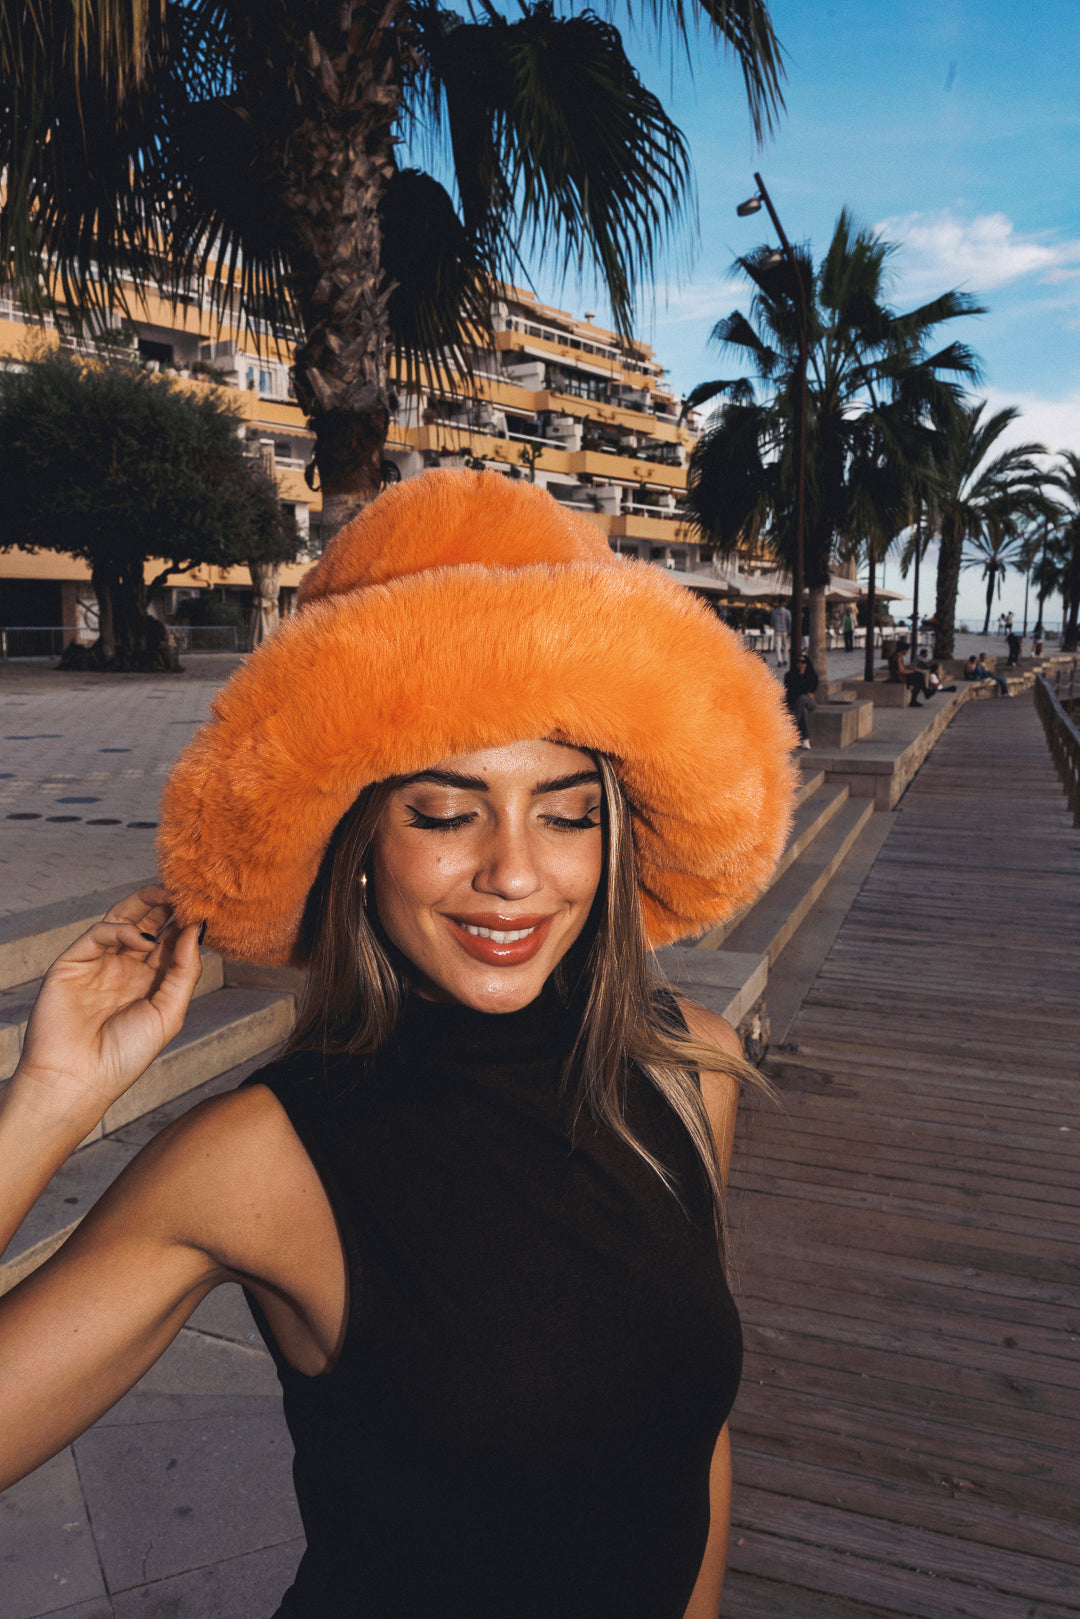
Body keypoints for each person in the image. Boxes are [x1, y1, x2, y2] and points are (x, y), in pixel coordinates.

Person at [0, 472, 797, 1619]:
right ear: (361, 835)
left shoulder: (685, 1073)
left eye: (567, 810)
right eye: (445, 810)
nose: (514, 871)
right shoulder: (262, 1158)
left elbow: (688, 1435)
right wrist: (50, 1100)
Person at [783, 651, 819, 749]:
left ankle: (792, 729)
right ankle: (805, 739)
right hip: (796, 702)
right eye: (799, 662)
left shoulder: (811, 675)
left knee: (802, 699)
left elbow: (811, 688)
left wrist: (804, 690)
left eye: (803, 662)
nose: (801, 664)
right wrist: (805, 690)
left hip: (809, 702)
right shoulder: (790, 675)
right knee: (803, 711)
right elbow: (792, 690)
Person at [887, 638, 931, 707]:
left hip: (898, 676)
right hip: (899, 678)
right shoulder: (898, 657)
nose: (908, 652)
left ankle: (921, 695)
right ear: (903, 650)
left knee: (919, 677)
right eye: (907, 650)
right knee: (919, 676)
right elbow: (902, 671)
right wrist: (914, 671)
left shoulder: (895, 655)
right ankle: (922, 695)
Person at [770, 601, 792, 666]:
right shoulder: (787, 612)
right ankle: (785, 660)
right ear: (784, 604)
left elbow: (772, 622)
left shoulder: (774, 612)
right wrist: (789, 630)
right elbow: (789, 622)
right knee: (785, 646)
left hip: (777, 630)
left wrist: (774, 627)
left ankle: (779, 660)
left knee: (777, 646)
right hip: (785, 631)